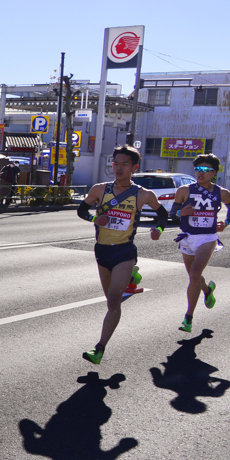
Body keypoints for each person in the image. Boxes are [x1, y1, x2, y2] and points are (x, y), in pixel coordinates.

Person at [77, 145, 168, 365]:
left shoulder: (144, 194)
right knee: (110, 299)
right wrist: (93, 220)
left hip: (124, 250)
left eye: (124, 164)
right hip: (102, 250)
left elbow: (162, 213)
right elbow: (81, 210)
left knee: (115, 299)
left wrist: (159, 229)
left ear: (134, 167)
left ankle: (99, 348)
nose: (118, 168)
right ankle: (131, 278)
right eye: (115, 163)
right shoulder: (100, 189)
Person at [169, 154, 230, 332]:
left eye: (206, 170)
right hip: (187, 236)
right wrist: (180, 213)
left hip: (208, 237)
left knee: (196, 272)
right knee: (194, 276)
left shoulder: (222, 192)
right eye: (198, 169)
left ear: (214, 172)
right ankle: (207, 290)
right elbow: (172, 213)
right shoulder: (184, 190)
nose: (201, 173)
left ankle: (188, 318)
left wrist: (227, 222)